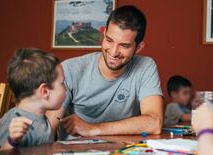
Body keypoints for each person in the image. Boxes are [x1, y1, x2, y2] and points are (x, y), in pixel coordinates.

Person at [50, 5, 164, 137]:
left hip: (124, 153)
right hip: (73, 154)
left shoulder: (146, 66)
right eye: (109, 40)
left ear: (138, 47)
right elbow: (48, 129)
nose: (114, 52)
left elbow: (154, 123)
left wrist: (93, 129)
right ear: (104, 35)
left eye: (124, 45)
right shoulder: (69, 69)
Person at [0, 48, 66, 151]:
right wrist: (11, 141)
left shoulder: (41, 119)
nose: (66, 88)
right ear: (45, 91)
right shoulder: (14, 122)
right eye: (62, 83)